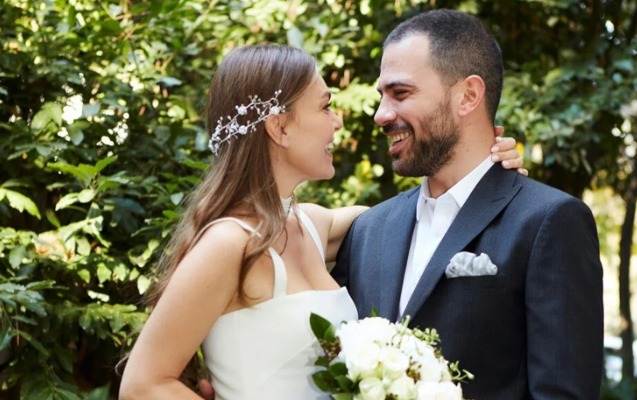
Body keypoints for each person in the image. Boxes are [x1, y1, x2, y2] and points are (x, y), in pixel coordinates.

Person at [118, 44, 524, 400]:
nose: (338, 122)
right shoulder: (229, 243)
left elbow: (421, 218)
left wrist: (478, 170)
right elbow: (143, 385)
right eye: (325, 106)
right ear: (279, 127)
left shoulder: (312, 226)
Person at [332, 9, 604, 400]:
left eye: (401, 93)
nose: (381, 115)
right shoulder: (367, 230)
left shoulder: (549, 221)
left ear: (468, 96)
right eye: (381, 96)